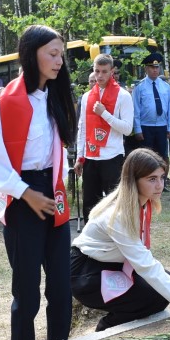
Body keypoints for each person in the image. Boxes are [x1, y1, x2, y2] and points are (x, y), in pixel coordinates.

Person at [0, 24, 77, 340]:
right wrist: (27, 193)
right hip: (22, 197)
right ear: (31, 54)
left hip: (54, 193)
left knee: (61, 286)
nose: (59, 61)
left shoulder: (56, 97)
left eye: (61, 55)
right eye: (52, 54)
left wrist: (54, 189)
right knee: (27, 291)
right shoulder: (9, 101)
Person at [71, 149, 170, 331]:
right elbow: (145, 264)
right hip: (86, 272)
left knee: (167, 282)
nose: (160, 185)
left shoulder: (143, 202)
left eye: (162, 177)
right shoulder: (119, 214)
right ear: (133, 180)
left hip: (110, 263)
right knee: (152, 295)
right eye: (152, 179)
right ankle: (107, 329)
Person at [75, 54, 134, 221]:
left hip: (112, 156)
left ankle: (114, 234)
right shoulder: (87, 96)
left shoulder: (123, 95)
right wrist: (80, 156)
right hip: (90, 156)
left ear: (112, 71)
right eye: (97, 71)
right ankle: (89, 235)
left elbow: (127, 129)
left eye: (104, 71)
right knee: (89, 205)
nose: (99, 76)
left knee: (114, 205)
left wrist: (105, 114)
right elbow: (82, 128)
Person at [132, 52, 170, 165]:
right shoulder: (139, 87)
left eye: (157, 67)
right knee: (146, 158)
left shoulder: (166, 87)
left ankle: (162, 176)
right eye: (152, 67)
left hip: (162, 126)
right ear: (146, 69)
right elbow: (136, 109)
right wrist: (137, 129)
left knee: (162, 157)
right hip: (146, 127)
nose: (155, 70)